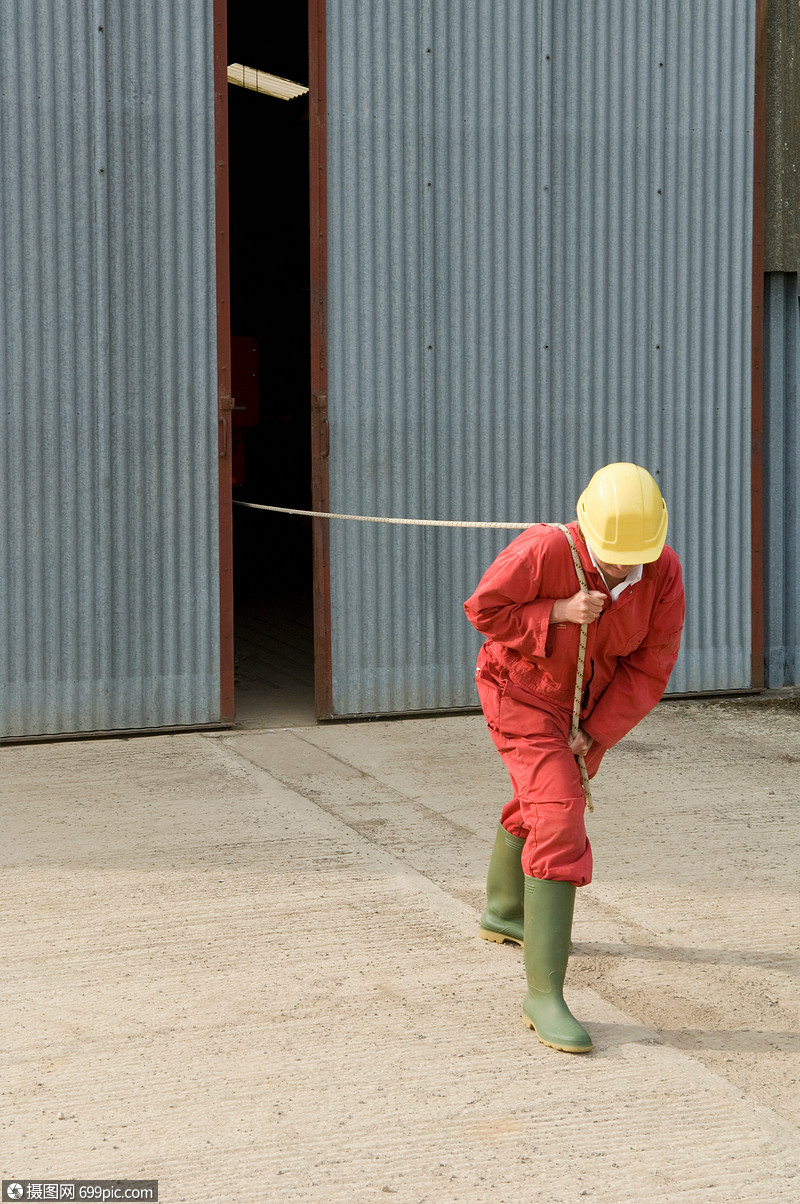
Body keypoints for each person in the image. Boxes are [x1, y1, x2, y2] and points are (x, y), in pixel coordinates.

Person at [464, 463, 685, 1054]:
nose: (620, 567)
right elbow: (484, 611)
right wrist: (556, 612)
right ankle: (544, 996)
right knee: (559, 814)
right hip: (521, 693)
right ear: (587, 525)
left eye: (632, 556)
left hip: (585, 715)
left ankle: (505, 911)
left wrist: (597, 730)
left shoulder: (662, 572)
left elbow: (652, 664)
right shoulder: (544, 548)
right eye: (611, 555)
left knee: (545, 800)